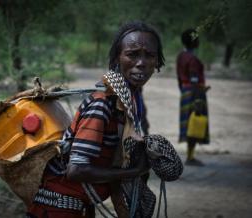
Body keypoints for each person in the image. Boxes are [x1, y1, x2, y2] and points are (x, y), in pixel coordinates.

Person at [26, 21, 166, 218]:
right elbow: (76, 170)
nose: (141, 62)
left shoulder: (124, 104)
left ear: (157, 62)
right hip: (57, 209)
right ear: (117, 59)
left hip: (77, 208)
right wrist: (133, 172)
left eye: (149, 55)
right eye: (132, 54)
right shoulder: (102, 105)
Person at [176, 29, 210, 166]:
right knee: (195, 122)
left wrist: (185, 90)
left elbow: (180, 78)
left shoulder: (181, 56)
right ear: (194, 42)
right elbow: (194, 78)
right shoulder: (193, 59)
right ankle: (190, 157)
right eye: (197, 39)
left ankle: (190, 156)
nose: (199, 41)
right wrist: (199, 92)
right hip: (196, 93)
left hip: (185, 92)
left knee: (190, 123)